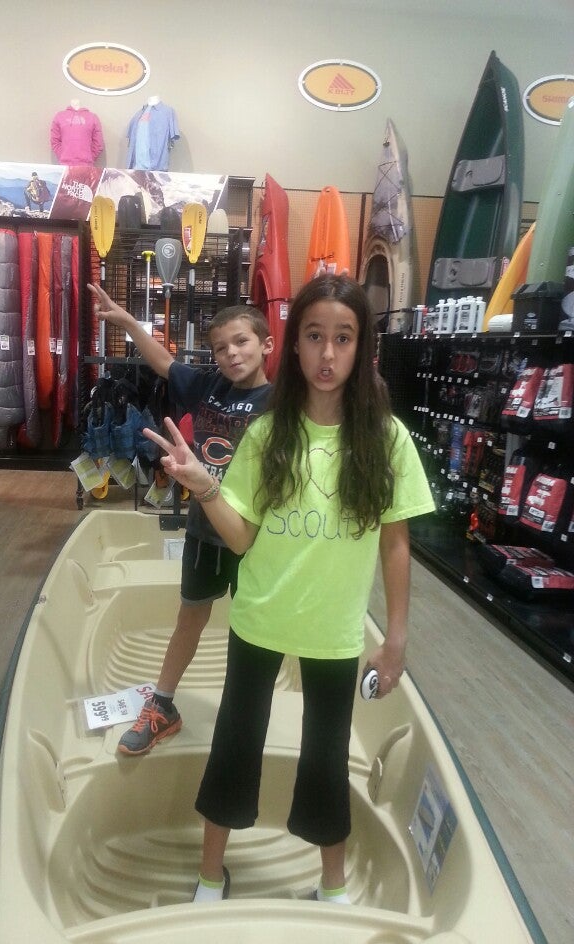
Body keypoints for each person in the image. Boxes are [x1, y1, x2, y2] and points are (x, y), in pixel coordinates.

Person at [142, 273, 435, 904]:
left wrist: (397, 640)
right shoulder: (268, 433)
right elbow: (241, 537)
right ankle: (210, 875)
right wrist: (202, 484)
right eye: (314, 336)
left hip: (335, 631)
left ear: (361, 347)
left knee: (327, 757)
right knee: (235, 744)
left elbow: (395, 544)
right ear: (294, 344)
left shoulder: (385, 440)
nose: (327, 354)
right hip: (260, 619)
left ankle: (333, 886)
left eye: (343, 338)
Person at [87, 282, 273, 755]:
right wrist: (129, 323)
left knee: (254, 631)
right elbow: (164, 362)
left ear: (267, 344)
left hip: (258, 540)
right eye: (221, 348)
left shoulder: (282, 404)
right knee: (190, 618)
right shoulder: (208, 385)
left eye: (242, 342)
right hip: (206, 531)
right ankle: (163, 706)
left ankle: (246, 718)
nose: (231, 354)